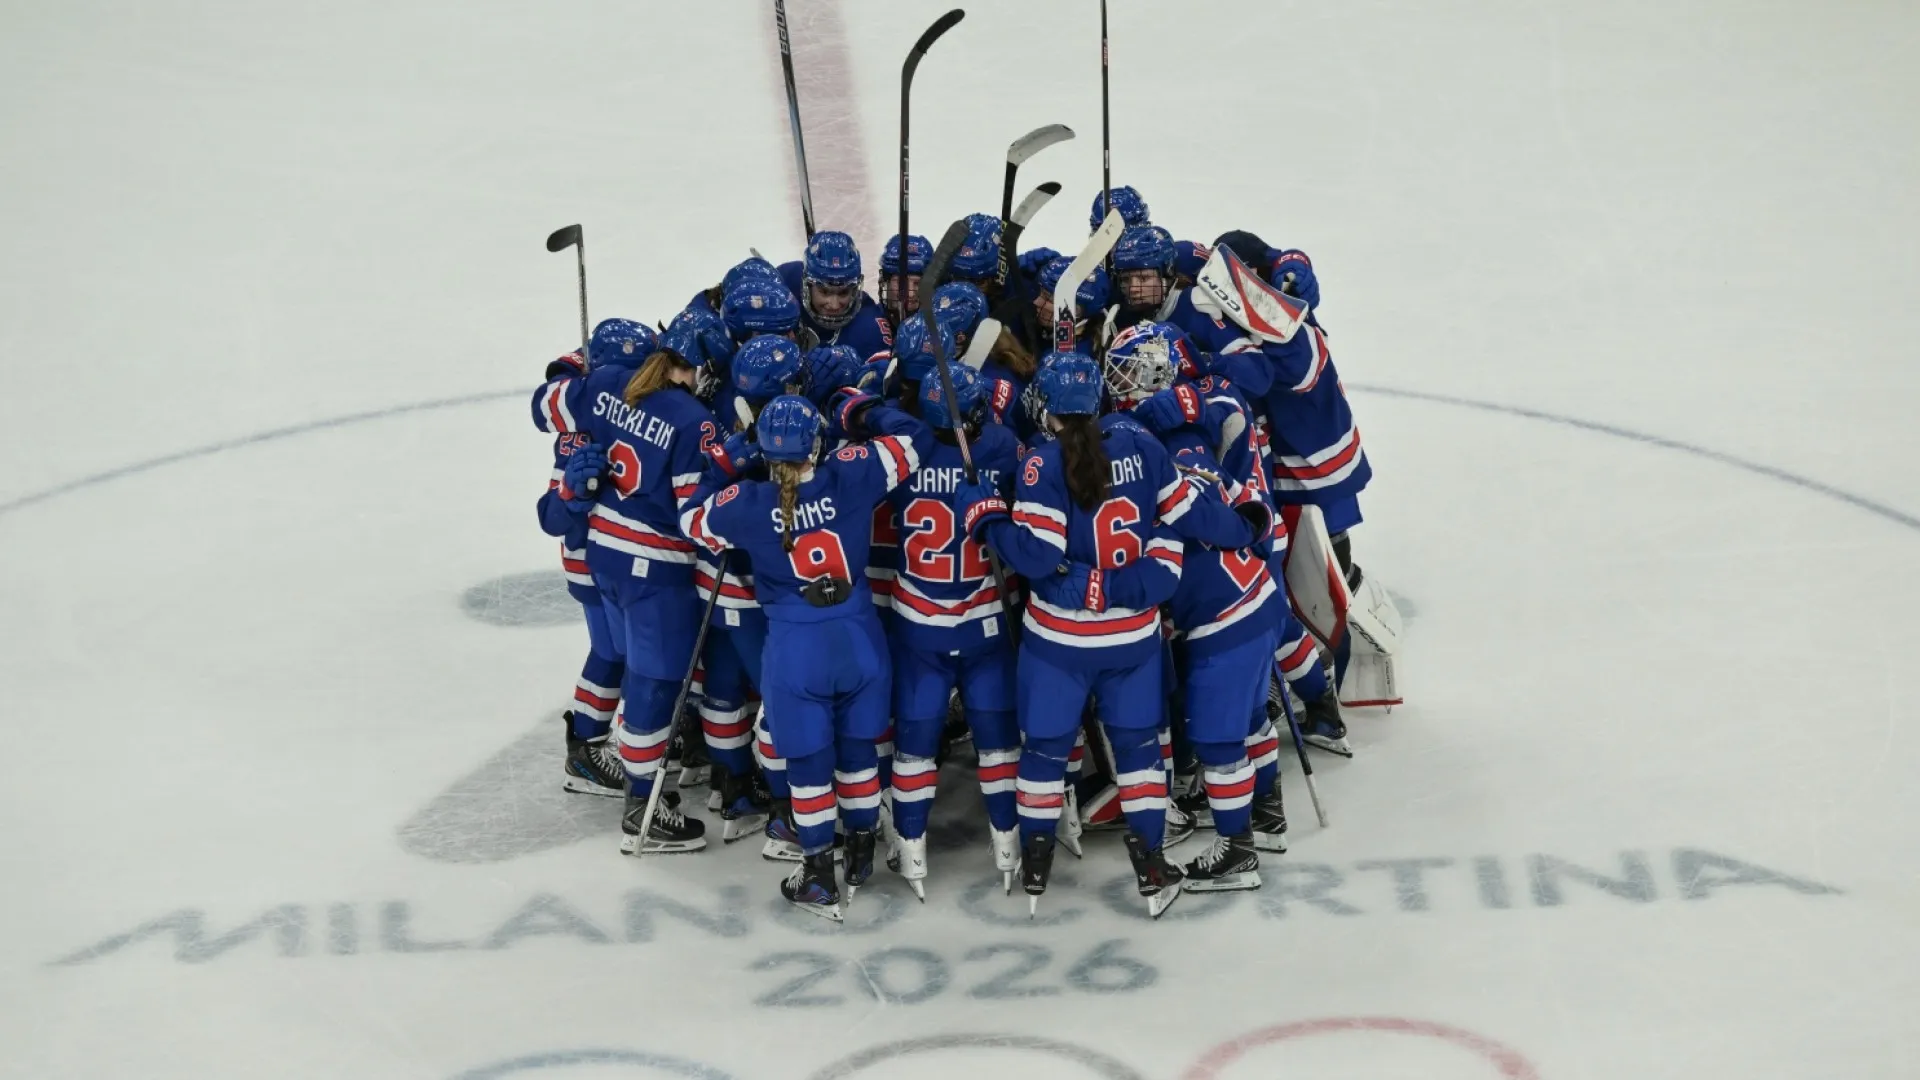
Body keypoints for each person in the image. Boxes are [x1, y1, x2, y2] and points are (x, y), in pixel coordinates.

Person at [955, 353, 1212, 919]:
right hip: (1133, 642)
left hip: (1058, 644)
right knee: (1142, 753)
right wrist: (1242, 524)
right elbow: (1178, 534)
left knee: (1044, 752)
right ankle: (1150, 864)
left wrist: (988, 517)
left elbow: (1039, 556)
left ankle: (1037, 868)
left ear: (1046, 408)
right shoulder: (1144, 447)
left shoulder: (1041, 463)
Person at [681, 392, 931, 921]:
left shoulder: (748, 503)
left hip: (796, 647)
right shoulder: (851, 472)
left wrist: (727, 464)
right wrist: (857, 408)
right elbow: (915, 438)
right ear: (818, 443)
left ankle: (819, 875)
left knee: (809, 764)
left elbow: (692, 522)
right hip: (860, 638)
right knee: (860, 749)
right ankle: (861, 854)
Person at [1106, 323, 1291, 889]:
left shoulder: (1166, 444)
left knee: (1216, 739)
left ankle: (1237, 852)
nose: (1118, 381)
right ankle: (1267, 814)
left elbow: (1200, 511)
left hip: (1224, 618)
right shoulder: (1179, 429)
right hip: (1252, 602)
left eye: (1129, 370)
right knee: (1254, 720)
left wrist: (1236, 526)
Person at [532, 337, 720, 855]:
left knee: (626, 662)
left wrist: (569, 365)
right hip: (655, 567)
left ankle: (623, 769)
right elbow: (693, 515)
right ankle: (644, 808)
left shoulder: (610, 383)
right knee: (654, 682)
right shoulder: (692, 418)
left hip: (604, 553)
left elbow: (544, 404)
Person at [882, 365, 1023, 898]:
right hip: (987, 621)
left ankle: (912, 848)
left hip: (921, 625)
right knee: (999, 745)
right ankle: (1009, 844)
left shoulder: (904, 449)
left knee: (915, 746)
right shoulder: (1002, 446)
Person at [536, 318, 655, 798]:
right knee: (626, 656)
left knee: (612, 652)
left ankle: (587, 740)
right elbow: (553, 516)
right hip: (595, 560)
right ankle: (612, 749)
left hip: (608, 559)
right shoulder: (580, 434)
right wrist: (574, 494)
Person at [777, 230, 893, 360]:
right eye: (824, 292)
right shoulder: (785, 284)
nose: (834, 305)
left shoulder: (869, 329)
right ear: (807, 286)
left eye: (843, 292)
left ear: (855, 290)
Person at [877, 234, 931, 325]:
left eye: (918, 283)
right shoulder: (870, 323)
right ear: (886, 281)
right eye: (901, 283)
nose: (910, 294)